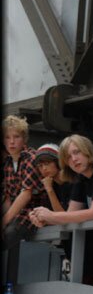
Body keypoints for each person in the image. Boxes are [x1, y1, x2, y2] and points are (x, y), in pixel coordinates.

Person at [30, 134, 93, 287]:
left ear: (87, 150)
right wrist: (41, 215)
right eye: (68, 157)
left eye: (77, 152)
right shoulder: (80, 177)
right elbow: (69, 215)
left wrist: (50, 216)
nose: (74, 159)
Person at [2, 115, 49, 282]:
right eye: (7, 137)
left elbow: (26, 193)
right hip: (17, 213)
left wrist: (5, 220)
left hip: (33, 212)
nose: (11, 142)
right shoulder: (8, 162)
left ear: (24, 139)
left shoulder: (30, 157)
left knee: (9, 232)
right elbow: (9, 197)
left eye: (16, 137)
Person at [34, 143, 72, 212]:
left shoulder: (72, 182)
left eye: (47, 163)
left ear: (58, 162)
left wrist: (50, 190)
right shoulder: (49, 184)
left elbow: (64, 218)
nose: (44, 168)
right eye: (40, 166)